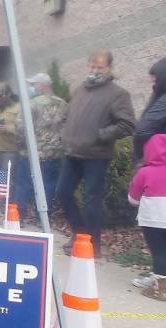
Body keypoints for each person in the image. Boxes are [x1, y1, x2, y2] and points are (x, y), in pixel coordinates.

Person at [56, 49, 135, 255]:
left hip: (96, 155)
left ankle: (93, 244)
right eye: (92, 66)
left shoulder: (117, 94)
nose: (95, 70)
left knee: (92, 199)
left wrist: (101, 134)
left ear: (109, 68)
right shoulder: (80, 90)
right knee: (62, 193)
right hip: (72, 152)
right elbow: (66, 116)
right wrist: (64, 134)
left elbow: (127, 124)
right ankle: (79, 234)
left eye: (100, 67)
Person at [14, 73, 68, 218]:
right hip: (53, 154)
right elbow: (67, 126)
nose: (31, 87)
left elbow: (20, 127)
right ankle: (44, 217)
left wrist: (20, 145)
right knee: (48, 186)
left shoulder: (31, 104)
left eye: (34, 84)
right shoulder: (62, 104)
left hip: (31, 153)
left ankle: (19, 216)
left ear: (42, 86)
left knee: (23, 185)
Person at [128, 134, 166, 301]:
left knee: (158, 253)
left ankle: (161, 289)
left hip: (152, 218)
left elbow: (132, 199)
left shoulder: (145, 172)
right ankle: (157, 280)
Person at [133, 57, 166, 161]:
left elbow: (142, 130)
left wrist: (141, 155)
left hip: (157, 159)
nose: (152, 83)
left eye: (155, 80)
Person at [0, 83, 20, 172]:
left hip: (8, 151)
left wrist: (8, 128)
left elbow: (24, 129)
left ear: (8, 94)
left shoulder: (19, 108)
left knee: (4, 179)